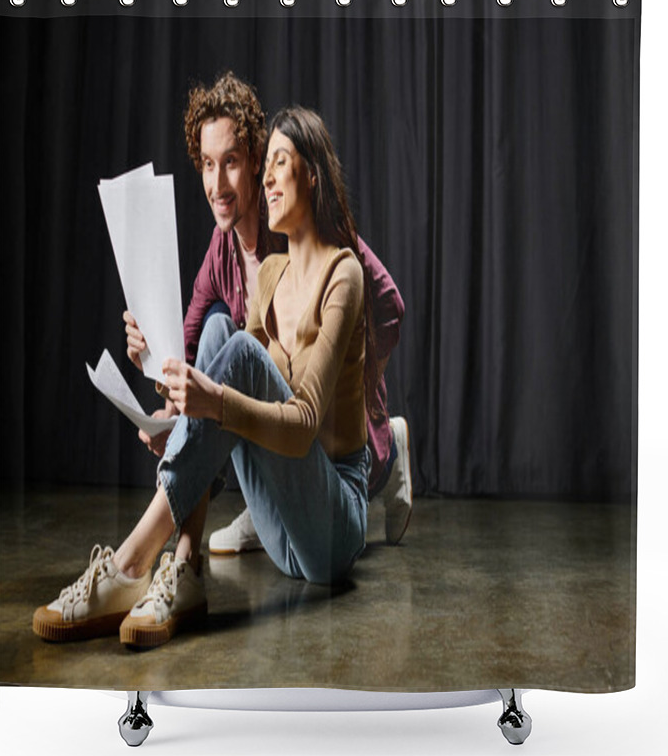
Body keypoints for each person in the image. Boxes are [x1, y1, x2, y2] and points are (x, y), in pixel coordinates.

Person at [33, 108, 380, 648]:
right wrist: (169, 403)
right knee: (220, 333)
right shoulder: (270, 273)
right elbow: (224, 385)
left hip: (332, 525)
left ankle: (131, 561)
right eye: (263, 167)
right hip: (281, 525)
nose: (265, 179)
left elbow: (304, 423)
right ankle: (185, 571)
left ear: (312, 173)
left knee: (232, 349)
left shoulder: (345, 272)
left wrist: (212, 402)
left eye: (277, 164)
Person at [123, 72, 411, 547]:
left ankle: (390, 443)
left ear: (256, 161)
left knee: (247, 358)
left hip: (320, 428)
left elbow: (389, 306)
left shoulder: (303, 226)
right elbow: (195, 354)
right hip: (279, 427)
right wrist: (162, 386)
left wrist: (360, 389)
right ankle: (192, 553)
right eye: (208, 165)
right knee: (220, 329)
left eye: (231, 162)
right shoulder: (221, 253)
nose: (218, 184)